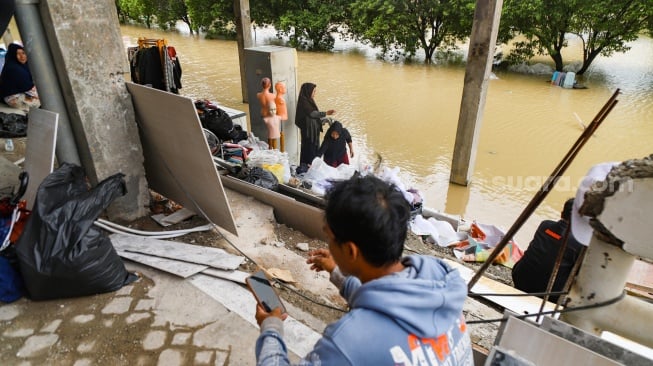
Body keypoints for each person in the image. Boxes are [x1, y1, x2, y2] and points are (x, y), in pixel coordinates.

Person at [253, 175, 473, 365]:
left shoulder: (347, 344)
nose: (328, 244)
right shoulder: (437, 277)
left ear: (350, 251)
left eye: (329, 237)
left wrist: (271, 326)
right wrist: (337, 272)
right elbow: (387, 300)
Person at [512, 198, 584, 302]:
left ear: (562, 213)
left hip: (520, 278)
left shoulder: (544, 225)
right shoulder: (579, 243)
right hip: (549, 294)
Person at [295, 82, 335, 167]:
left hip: (313, 131)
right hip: (309, 133)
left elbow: (314, 118)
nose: (314, 94)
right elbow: (312, 114)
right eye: (313, 92)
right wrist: (326, 113)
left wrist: (324, 120)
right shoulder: (304, 102)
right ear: (308, 92)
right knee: (309, 149)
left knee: (313, 149)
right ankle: (308, 167)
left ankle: (311, 166)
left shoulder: (309, 101)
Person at [0, 43, 40, 112]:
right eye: (18, 54)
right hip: (13, 98)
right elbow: (29, 88)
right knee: (42, 102)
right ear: (13, 55)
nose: (22, 56)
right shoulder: (14, 68)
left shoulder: (21, 65)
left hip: (19, 92)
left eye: (23, 53)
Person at [274, 81, 288, 152]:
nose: (285, 89)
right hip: (281, 116)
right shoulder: (280, 99)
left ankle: (281, 150)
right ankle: (281, 151)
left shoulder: (278, 98)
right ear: (280, 89)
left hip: (281, 116)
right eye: (284, 87)